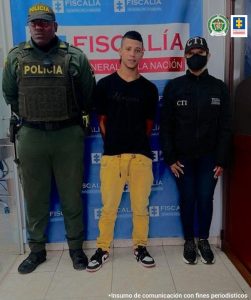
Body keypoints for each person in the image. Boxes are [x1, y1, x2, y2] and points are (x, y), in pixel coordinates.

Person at [2, 3, 95, 273]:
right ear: (29, 26)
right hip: (31, 135)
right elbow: (9, 94)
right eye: (34, 23)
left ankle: (76, 249)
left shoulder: (75, 57)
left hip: (68, 135)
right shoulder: (17, 57)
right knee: (35, 197)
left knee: (71, 196)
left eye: (44, 22)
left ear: (55, 26)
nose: (39, 27)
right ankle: (37, 251)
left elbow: (88, 95)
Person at [86, 31, 158, 272]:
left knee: (140, 207)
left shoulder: (149, 88)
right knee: (108, 208)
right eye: (128, 49)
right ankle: (103, 248)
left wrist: (135, 144)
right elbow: (102, 121)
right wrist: (116, 143)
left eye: (137, 50)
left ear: (143, 54)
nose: (132, 54)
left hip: (140, 157)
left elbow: (149, 125)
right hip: (112, 157)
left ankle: (140, 246)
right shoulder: (104, 85)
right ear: (119, 50)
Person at [160, 36, 232, 265]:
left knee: (205, 198)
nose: (195, 56)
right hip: (182, 159)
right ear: (185, 57)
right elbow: (166, 127)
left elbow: (226, 127)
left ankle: (204, 240)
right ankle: (189, 241)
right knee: (188, 198)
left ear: (208, 55)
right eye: (191, 53)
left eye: (200, 52)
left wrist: (221, 158)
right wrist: (170, 158)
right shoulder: (174, 87)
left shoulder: (219, 88)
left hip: (210, 158)